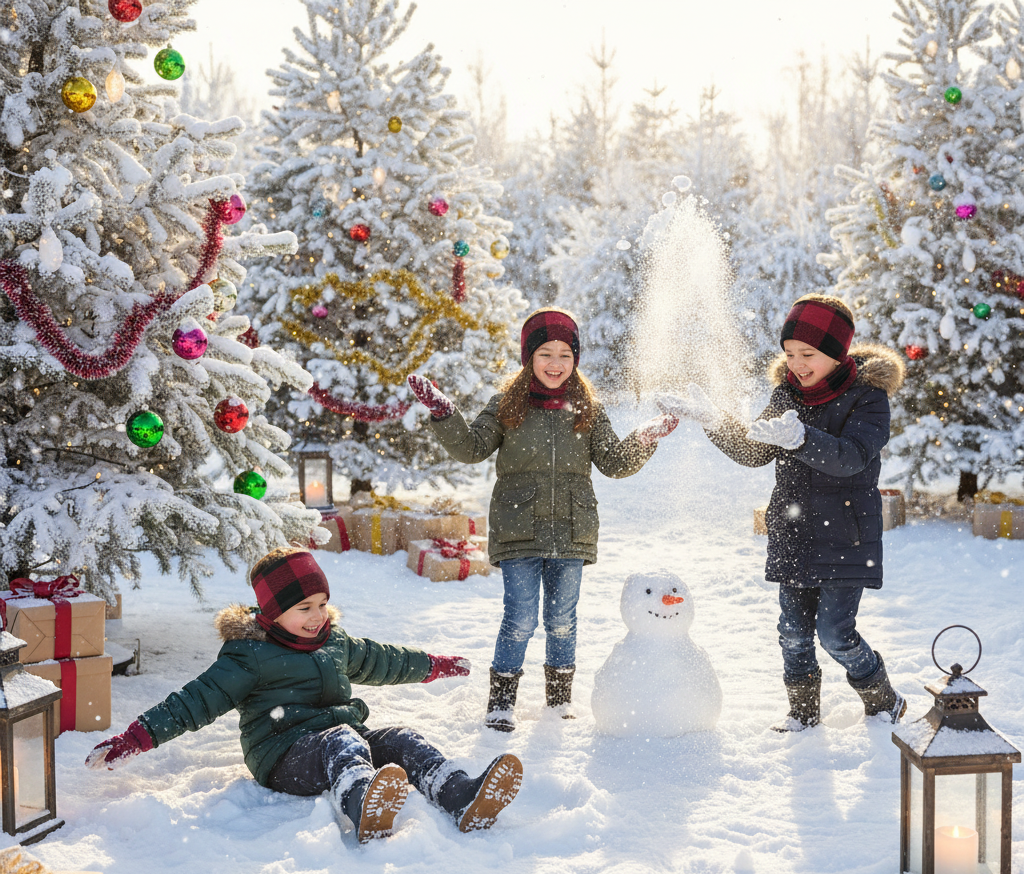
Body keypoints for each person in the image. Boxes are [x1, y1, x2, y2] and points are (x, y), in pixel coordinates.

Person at [86, 547, 523, 842]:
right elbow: (196, 699)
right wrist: (136, 737)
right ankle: (362, 804)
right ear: (274, 613)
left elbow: (382, 659)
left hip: (337, 739)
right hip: (281, 755)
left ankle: (460, 793)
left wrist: (431, 665)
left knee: (399, 737)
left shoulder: (333, 641)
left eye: (321, 604)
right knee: (344, 740)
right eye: (304, 609)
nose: (317, 617)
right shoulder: (249, 654)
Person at [407, 307, 678, 731]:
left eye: (565, 355)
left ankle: (558, 703)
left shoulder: (587, 408)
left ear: (576, 360)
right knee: (519, 619)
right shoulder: (505, 406)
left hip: (572, 530)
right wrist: (445, 414)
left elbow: (612, 462)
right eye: (545, 354)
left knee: (562, 620)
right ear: (529, 357)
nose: (555, 364)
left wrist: (644, 438)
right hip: (519, 530)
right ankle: (501, 704)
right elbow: (471, 448)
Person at [657, 294, 907, 731]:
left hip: (845, 536)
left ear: (836, 352)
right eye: (790, 354)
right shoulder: (786, 394)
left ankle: (884, 700)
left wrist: (802, 439)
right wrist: (715, 421)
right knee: (792, 634)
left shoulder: (868, 399)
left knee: (835, 634)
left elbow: (852, 457)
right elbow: (755, 449)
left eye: (808, 354)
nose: (797, 364)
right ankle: (803, 714)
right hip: (793, 532)